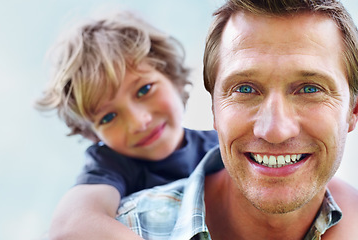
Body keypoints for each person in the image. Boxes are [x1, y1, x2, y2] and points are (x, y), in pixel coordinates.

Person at [115, 0, 358, 239]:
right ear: (214, 110)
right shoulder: (123, 228)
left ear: (353, 111)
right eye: (244, 89)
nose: (275, 131)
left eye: (310, 89)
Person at [35, 10, 219, 240]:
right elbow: (69, 225)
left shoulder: (220, 146)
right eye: (108, 117)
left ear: (171, 76)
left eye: (144, 90)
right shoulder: (111, 165)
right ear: (94, 134)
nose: (138, 122)